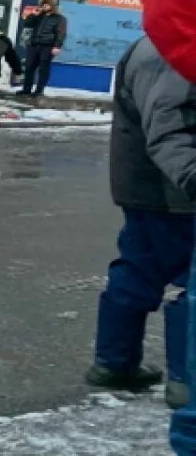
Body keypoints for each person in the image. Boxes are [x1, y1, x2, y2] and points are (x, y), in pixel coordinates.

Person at [82, 37, 196, 422]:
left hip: (149, 186)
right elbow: (170, 126)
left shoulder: (161, 41)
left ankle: (114, 362)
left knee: (138, 269)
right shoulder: (171, 49)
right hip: (175, 190)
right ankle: (187, 383)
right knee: (189, 281)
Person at [18, 0, 67, 97]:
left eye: (47, 4)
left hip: (48, 46)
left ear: (53, 5)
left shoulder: (60, 18)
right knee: (29, 67)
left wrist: (57, 46)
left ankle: (39, 91)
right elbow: (27, 24)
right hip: (34, 44)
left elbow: (61, 33)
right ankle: (26, 89)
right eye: (43, 4)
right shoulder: (39, 15)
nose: (45, 6)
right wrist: (33, 15)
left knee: (43, 69)